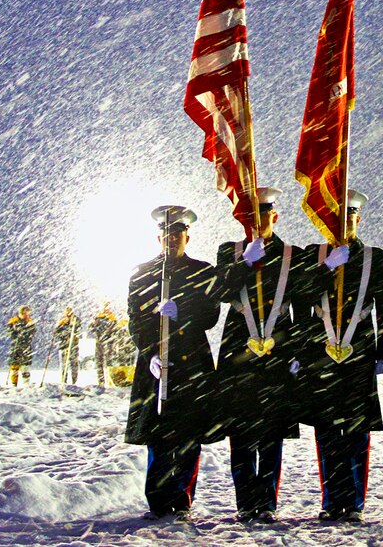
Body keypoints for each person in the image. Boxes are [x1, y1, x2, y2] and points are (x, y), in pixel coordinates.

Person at [295, 189, 383, 522]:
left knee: (355, 432)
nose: (344, 222)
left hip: (359, 351)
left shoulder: (374, 257)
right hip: (321, 352)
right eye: (338, 217)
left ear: (358, 218)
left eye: (350, 216)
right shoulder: (314, 254)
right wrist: (327, 267)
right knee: (326, 430)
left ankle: (352, 501)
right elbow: (301, 295)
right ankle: (330, 500)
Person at [212, 187, 308, 523]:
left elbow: (301, 304)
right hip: (240, 349)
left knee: (271, 431)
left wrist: (298, 351)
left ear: (275, 217)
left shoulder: (292, 254)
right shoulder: (230, 251)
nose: (260, 221)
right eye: (253, 216)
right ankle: (244, 501)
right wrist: (242, 264)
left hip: (278, 348)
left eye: (266, 215)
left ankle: (266, 502)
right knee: (240, 432)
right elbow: (220, 293)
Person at [125, 205, 221, 522]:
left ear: (187, 237)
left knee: (189, 433)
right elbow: (135, 321)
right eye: (167, 233)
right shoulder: (141, 273)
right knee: (158, 433)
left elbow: (210, 316)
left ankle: (181, 499)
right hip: (156, 362)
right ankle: (157, 500)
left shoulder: (203, 271)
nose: (172, 239)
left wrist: (183, 313)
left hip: (191, 361)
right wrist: (150, 352)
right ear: (158, 236)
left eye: (178, 234)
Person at [6, 305, 36, 387]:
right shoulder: (14, 320)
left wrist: (25, 331)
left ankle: (26, 384)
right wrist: (15, 331)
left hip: (26, 346)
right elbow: (9, 331)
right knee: (14, 366)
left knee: (25, 366)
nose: (26, 315)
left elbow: (32, 331)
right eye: (25, 312)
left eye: (28, 312)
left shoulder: (30, 321)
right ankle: (13, 384)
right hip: (16, 345)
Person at [90, 302, 118, 387]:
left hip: (108, 343)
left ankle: (109, 380)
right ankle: (101, 381)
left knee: (109, 362)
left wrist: (107, 335)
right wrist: (94, 325)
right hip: (99, 342)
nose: (105, 308)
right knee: (99, 362)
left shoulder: (112, 318)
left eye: (107, 306)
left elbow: (114, 330)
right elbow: (91, 328)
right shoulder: (98, 317)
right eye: (104, 306)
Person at [54, 306, 82, 385]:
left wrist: (73, 323)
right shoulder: (62, 321)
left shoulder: (76, 319)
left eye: (70, 311)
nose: (68, 313)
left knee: (74, 364)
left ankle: (74, 381)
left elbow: (78, 326)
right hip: (64, 345)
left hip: (73, 345)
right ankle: (64, 381)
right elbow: (56, 333)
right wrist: (63, 331)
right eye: (67, 311)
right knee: (64, 364)